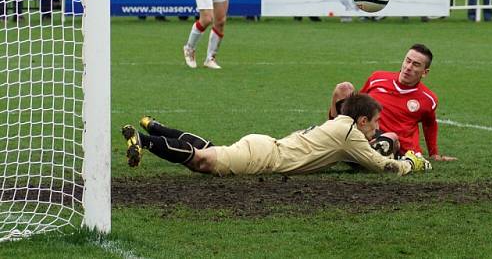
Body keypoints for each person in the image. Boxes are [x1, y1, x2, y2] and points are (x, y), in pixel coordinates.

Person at [121, 93, 432, 176]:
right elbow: (381, 166)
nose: (376, 128)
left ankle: (154, 130)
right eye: (375, 123)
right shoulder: (350, 133)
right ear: (362, 120)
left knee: (212, 148)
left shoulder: (341, 125)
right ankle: (145, 140)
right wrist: (412, 163)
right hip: (266, 158)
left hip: (265, 147)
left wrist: (386, 144)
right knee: (203, 161)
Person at [327, 44, 457, 162]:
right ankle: (334, 138)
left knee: (390, 139)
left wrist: (434, 154)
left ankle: (359, 151)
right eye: (408, 61)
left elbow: (430, 125)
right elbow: (355, 108)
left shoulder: (428, 99)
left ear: (425, 72)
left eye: (416, 64)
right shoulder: (377, 78)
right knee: (344, 89)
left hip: (396, 147)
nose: (408, 67)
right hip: (366, 135)